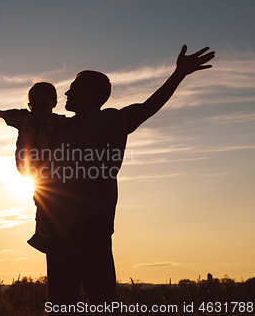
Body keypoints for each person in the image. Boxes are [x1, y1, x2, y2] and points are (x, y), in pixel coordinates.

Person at [36, 45, 215, 315]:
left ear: (89, 94)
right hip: (58, 231)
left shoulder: (109, 120)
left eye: (74, 88)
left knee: (102, 302)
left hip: (90, 226)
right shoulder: (61, 128)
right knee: (61, 306)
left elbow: (148, 108)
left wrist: (179, 74)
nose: (67, 92)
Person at [0, 82, 67, 251]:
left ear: (54, 103)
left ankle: (46, 233)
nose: (38, 108)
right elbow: (1, 114)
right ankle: (44, 232)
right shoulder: (25, 118)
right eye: (33, 105)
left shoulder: (60, 121)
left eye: (43, 104)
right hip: (29, 169)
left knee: (47, 198)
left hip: (51, 170)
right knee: (41, 197)